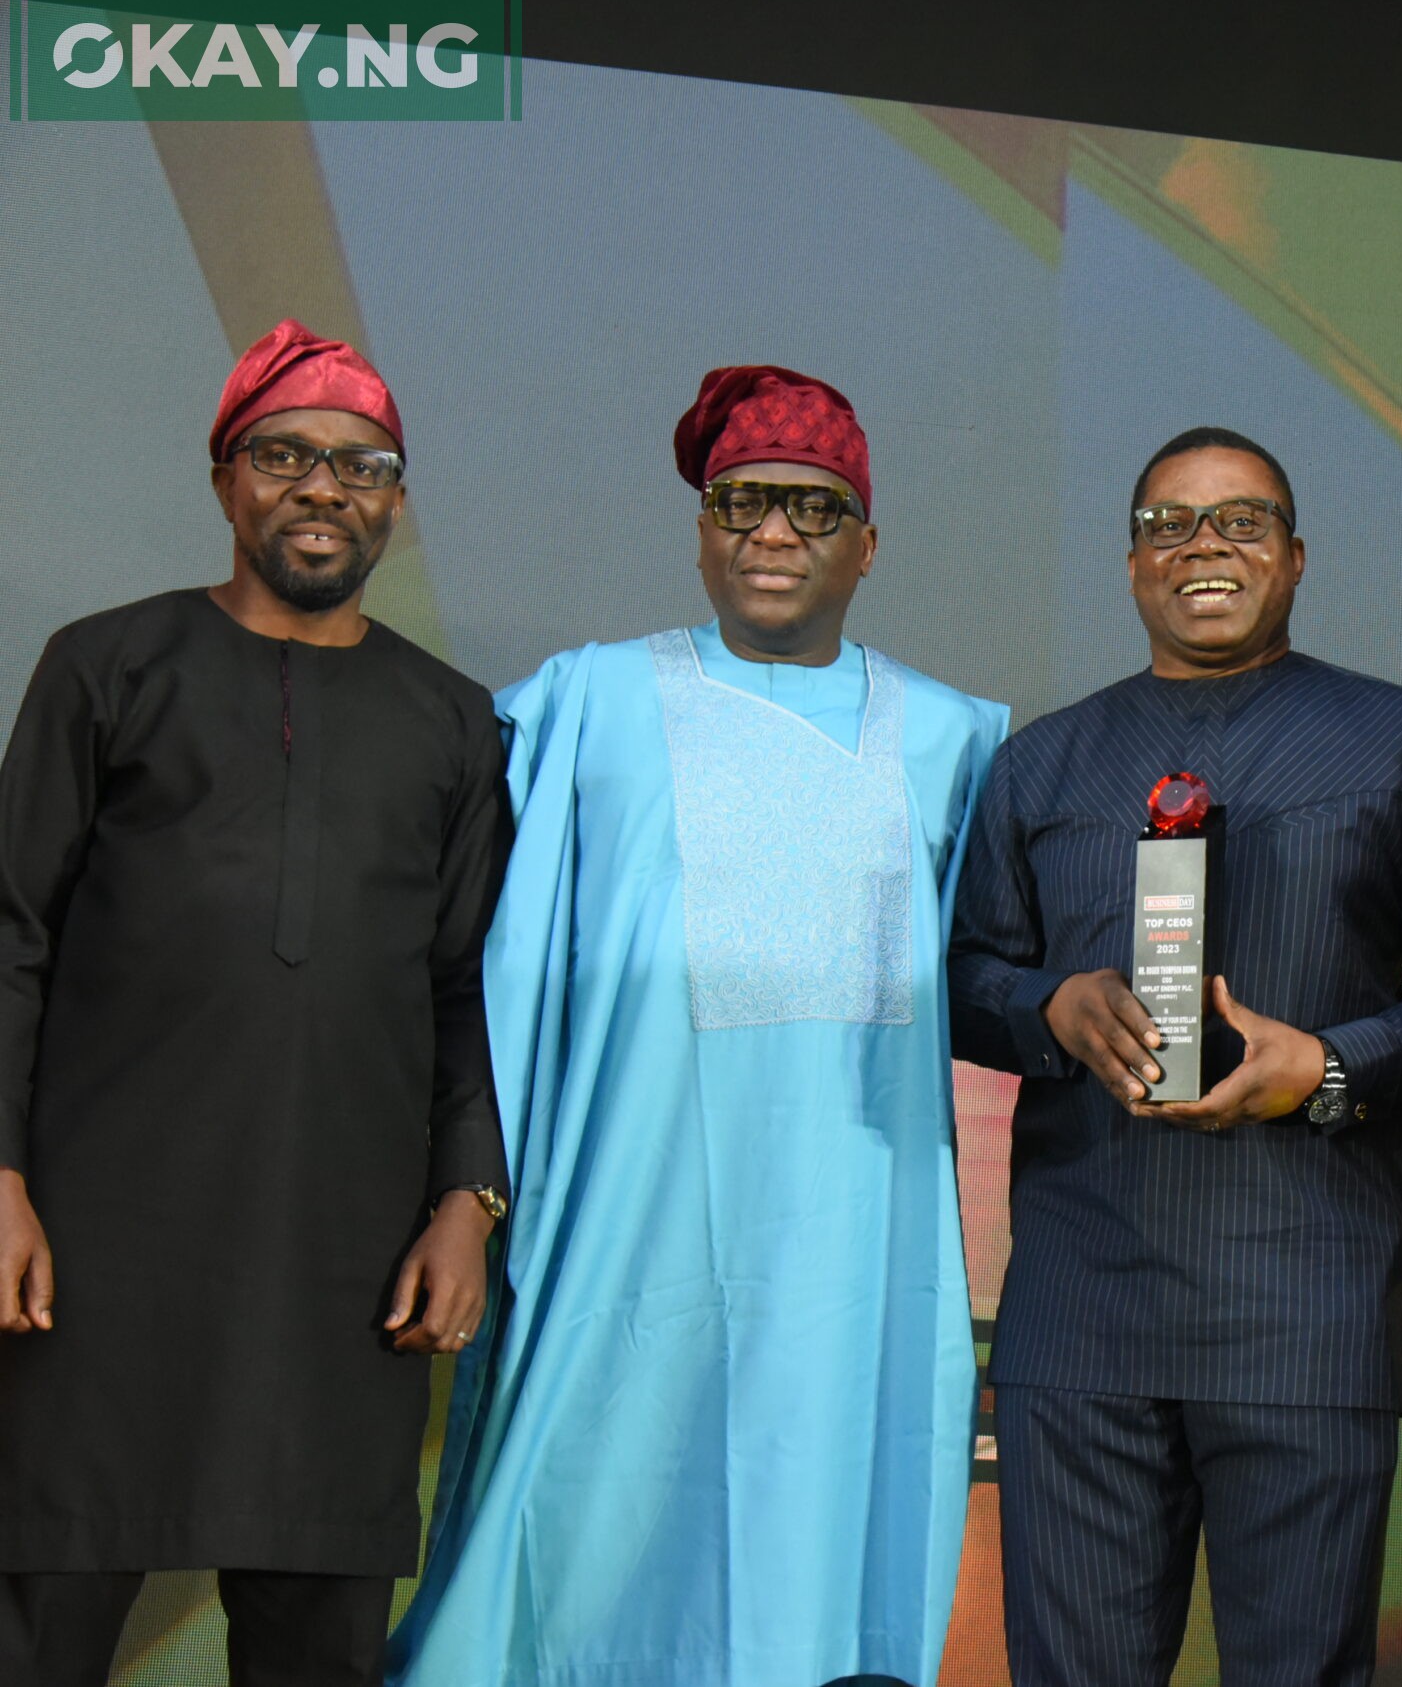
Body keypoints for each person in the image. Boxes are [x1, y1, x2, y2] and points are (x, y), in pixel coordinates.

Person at [385, 366, 1007, 1687]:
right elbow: (469, 959)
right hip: (624, 1225)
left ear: (869, 543)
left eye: (812, 508)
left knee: (814, 1560)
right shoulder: (584, 703)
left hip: (852, 1253)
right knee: (583, 1531)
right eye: (743, 503)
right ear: (703, 527)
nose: (774, 533)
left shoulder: (959, 740)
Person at [948, 426, 1402, 1687]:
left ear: (1298, 556)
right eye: (1168, 523)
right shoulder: (1043, 761)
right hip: (1082, 1315)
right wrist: (1048, 1010)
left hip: (1301, 1308)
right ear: (1128, 564)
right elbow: (964, 980)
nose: (1203, 545)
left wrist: (1329, 1065)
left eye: (1241, 521)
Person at [0, 318, 509, 1686]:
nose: (324, 488)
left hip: (343, 1271)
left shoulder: (453, 721)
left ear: (395, 502)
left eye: (362, 465)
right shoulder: (104, 667)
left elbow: (467, 981)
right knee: (43, 1622)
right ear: (226, 477)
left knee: (316, 1643)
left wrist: (468, 1198)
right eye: (285, 454)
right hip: (94, 1259)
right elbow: (10, 936)